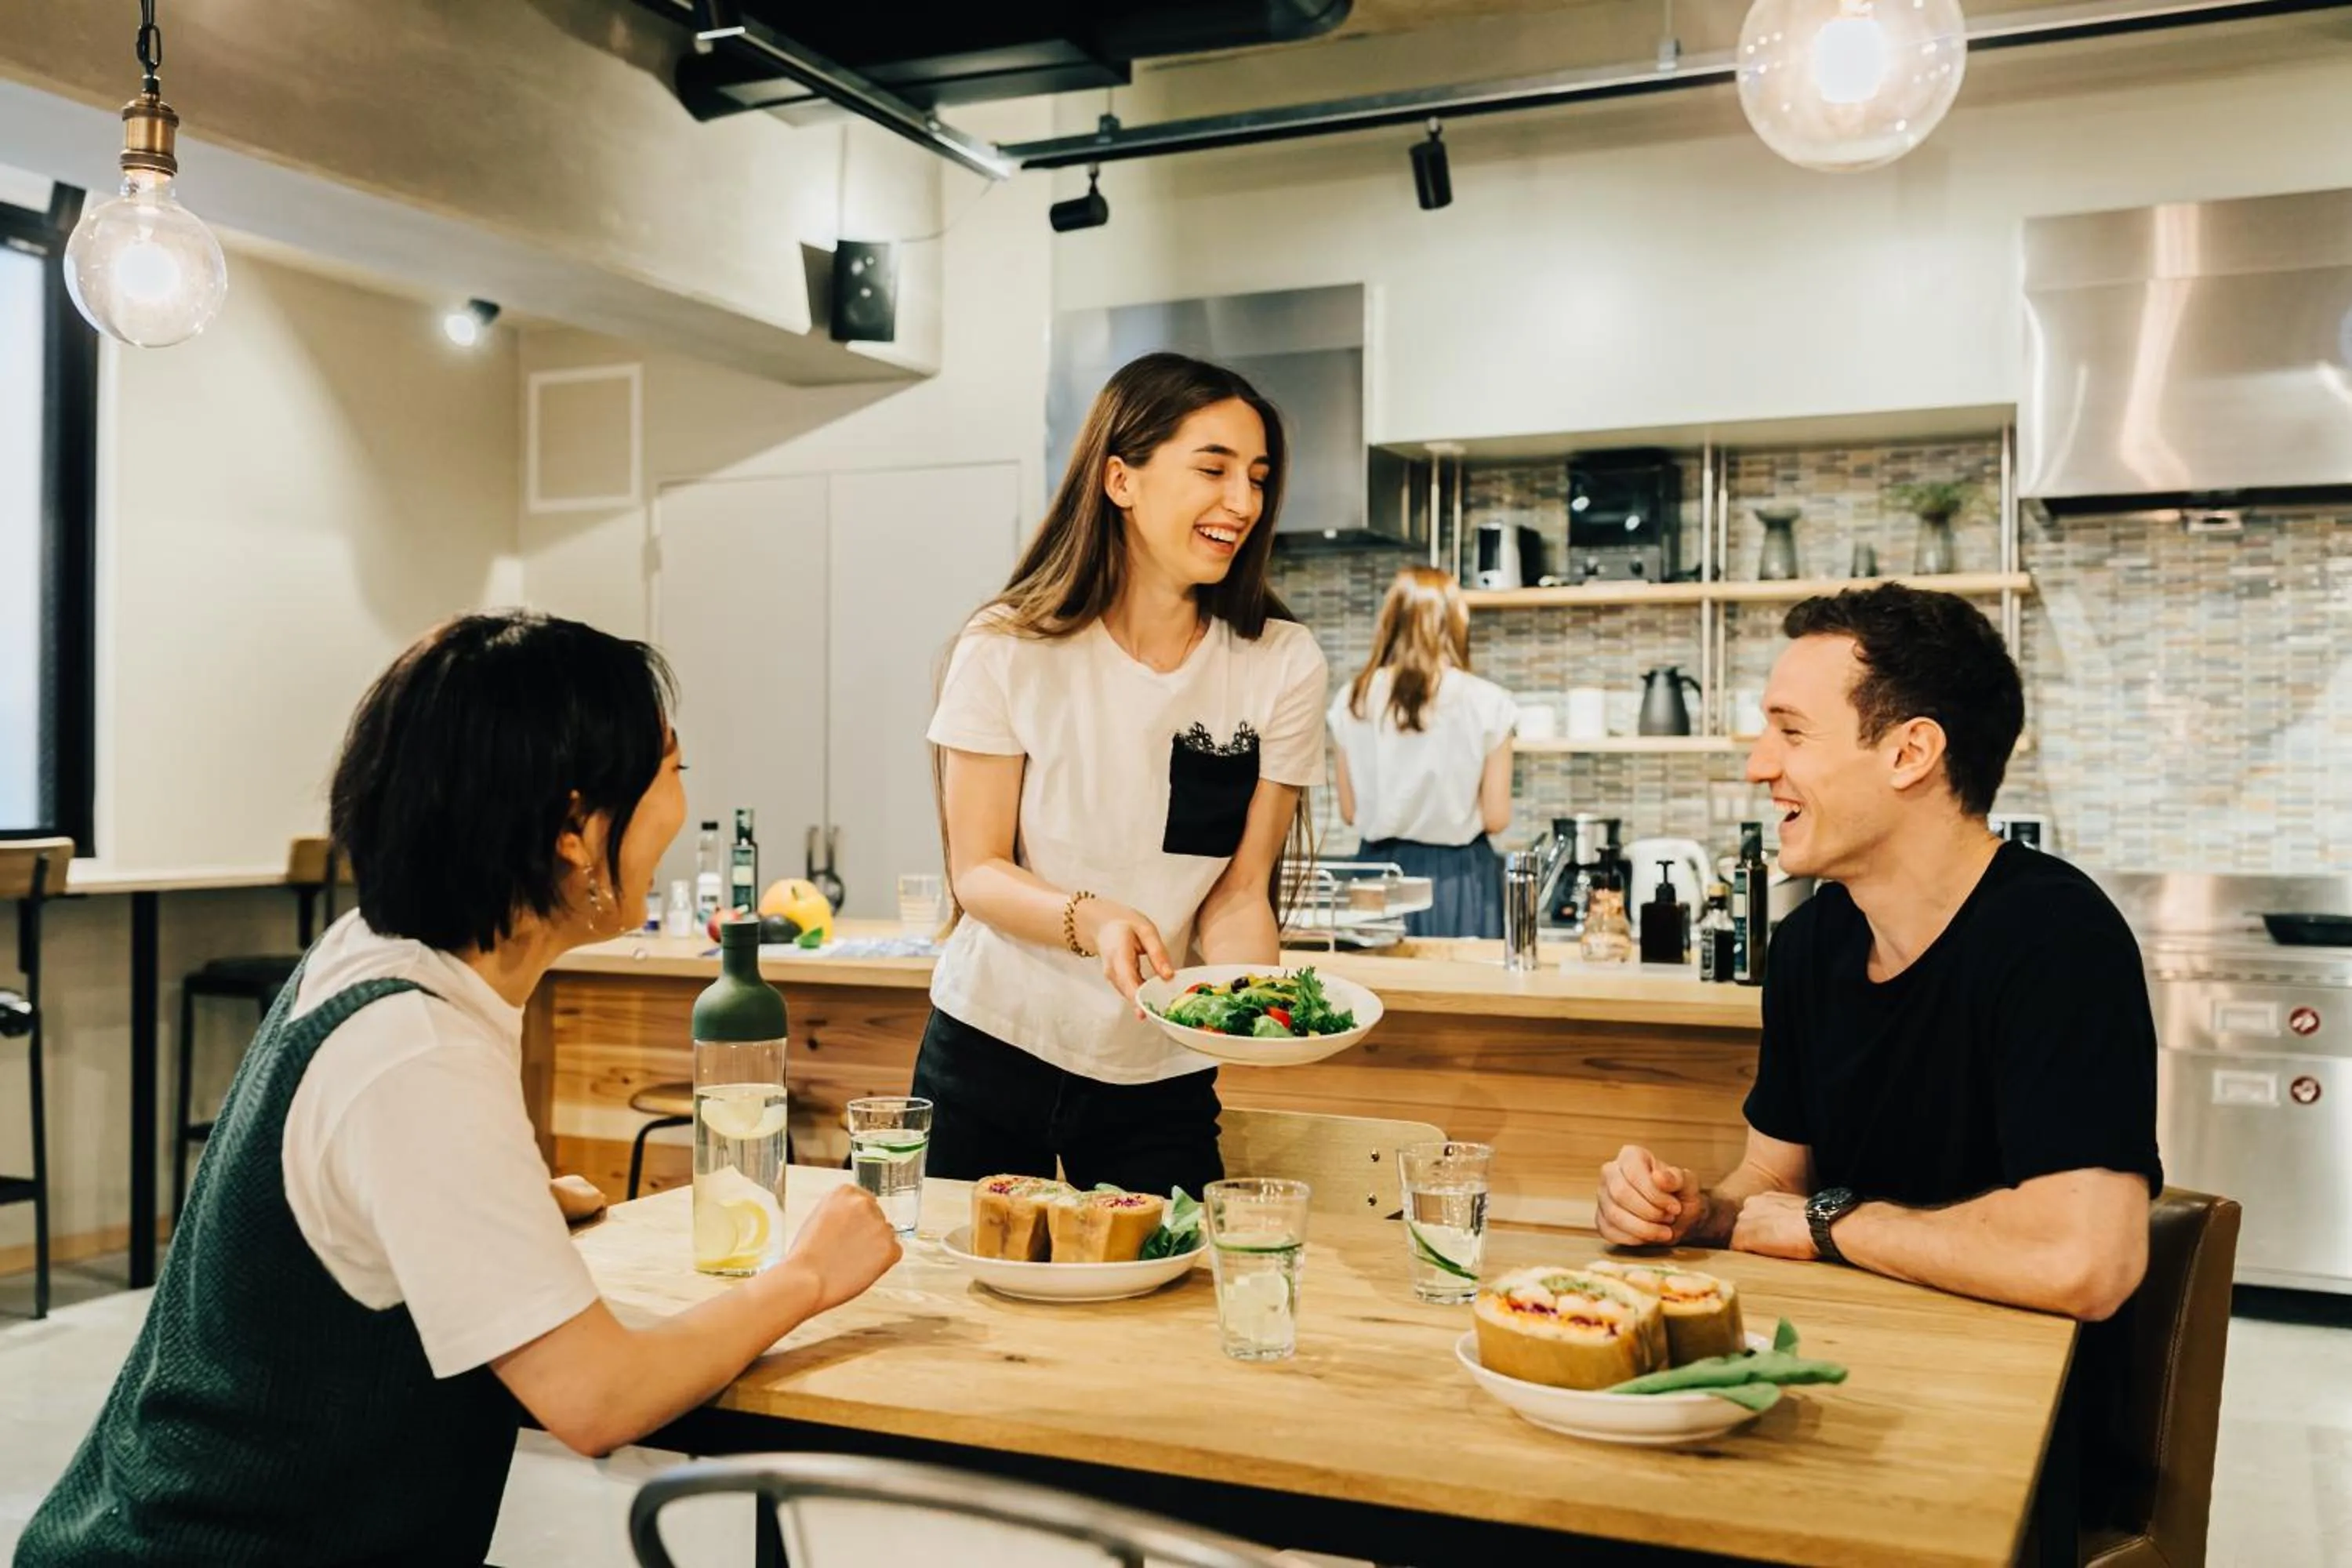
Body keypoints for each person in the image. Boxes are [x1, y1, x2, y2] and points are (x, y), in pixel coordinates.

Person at [18, 612, 902, 1567]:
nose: (682, 807)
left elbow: (371, 1203)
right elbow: (596, 1397)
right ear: (573, 828)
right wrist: (808, 1275)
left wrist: (502, 1207)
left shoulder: (380, 953)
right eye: (671, 774)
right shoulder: (416, 1050)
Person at [1592, 583, 2160, 1534]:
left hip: (2004, 1448)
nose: (1757, 765)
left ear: (1911, 752)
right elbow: (1775, 1182)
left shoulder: (2058, 937)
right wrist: (1697, 1212)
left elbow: (2084, 1258)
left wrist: (1828, 1224)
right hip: (1842, 1383)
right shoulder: (1815, 943)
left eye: (1791, 732)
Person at [916, 352, 1328, 1199]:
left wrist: (1258, 1013)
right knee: (952, 1303)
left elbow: (1240, 892)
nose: (1243, 502)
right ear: (1120, 478)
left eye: (1257, 477)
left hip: (1160, 1070)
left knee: (1176, 1308)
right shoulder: (1007, 646)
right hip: (994, 1037)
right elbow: (978, 871)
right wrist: (1094, 917)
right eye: (1212, 469)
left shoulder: (1280, 662)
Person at [1327, 566, 1515, 938]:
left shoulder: (1354, 698)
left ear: (1390, 621)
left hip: (1376, 876)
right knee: (1461, 993)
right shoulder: (1488, 702)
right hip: (1458, 879)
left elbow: (1350, 812)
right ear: (1456, 623)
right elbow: (1496, 817)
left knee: (1383, 992)